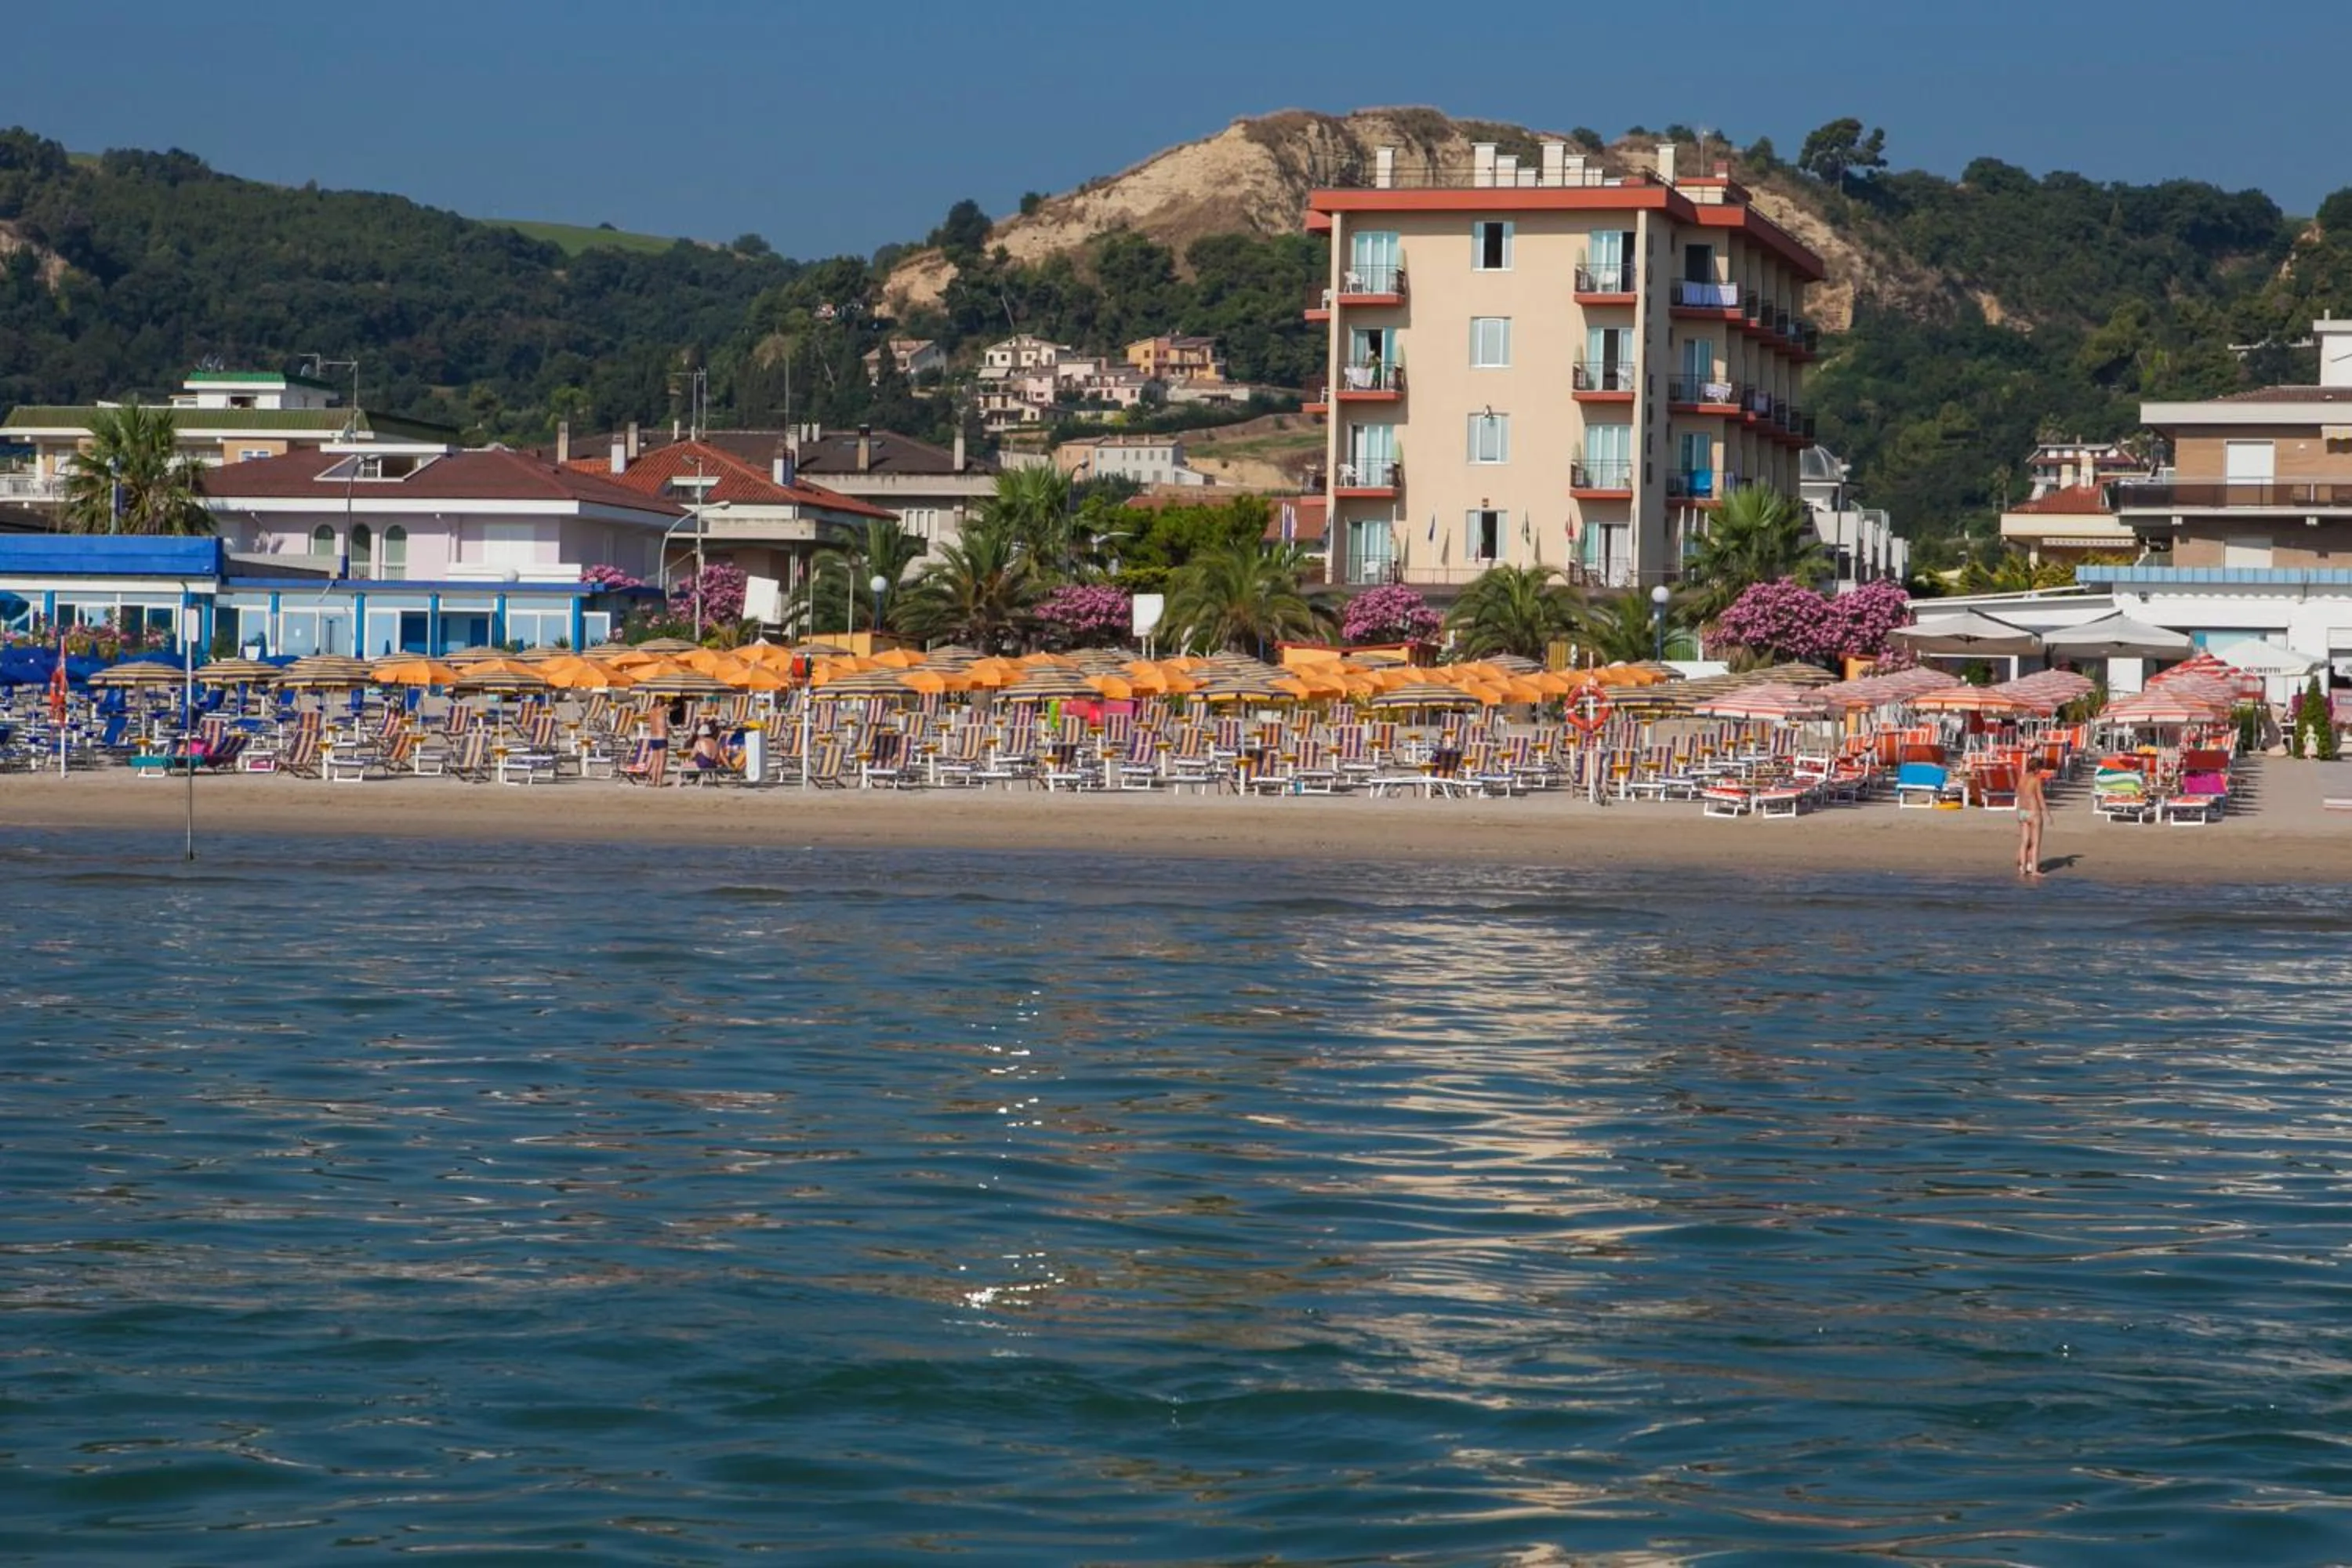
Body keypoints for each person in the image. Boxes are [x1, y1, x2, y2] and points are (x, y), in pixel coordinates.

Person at [2016, 755, 2051, 878]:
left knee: (2024, 842)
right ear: (2036, 769)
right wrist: (2048, 814)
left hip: (2022, 812)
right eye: (2040, 769)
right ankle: (2034, 870)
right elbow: (2040, 798)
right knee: (2035, 843)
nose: (2040, 771)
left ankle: (2023, 869)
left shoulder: (2021, 779)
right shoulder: (2036, 779)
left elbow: (2019, 795)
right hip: (2033, 812)